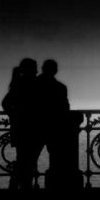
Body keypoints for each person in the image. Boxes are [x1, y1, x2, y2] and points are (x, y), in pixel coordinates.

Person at [37, 59, 83, 191]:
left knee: (28, 161)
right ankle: (59, 190)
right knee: (57, 159)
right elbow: (65, 108)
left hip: (36, 127)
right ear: (55, 70)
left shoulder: (35, 85)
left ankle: (22, 192)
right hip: (55, 128)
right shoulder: (60, 87)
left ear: (43, 68)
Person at [1, 58, 39, 190]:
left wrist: (14, 114)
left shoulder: (18, 84)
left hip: (20, 128)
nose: (37, 71)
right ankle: (24, 185)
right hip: (32, 129)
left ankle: (18, 184)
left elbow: (5, 103)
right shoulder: (32, 84)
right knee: (28, 160)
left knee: (23, 158)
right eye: (35, 68)